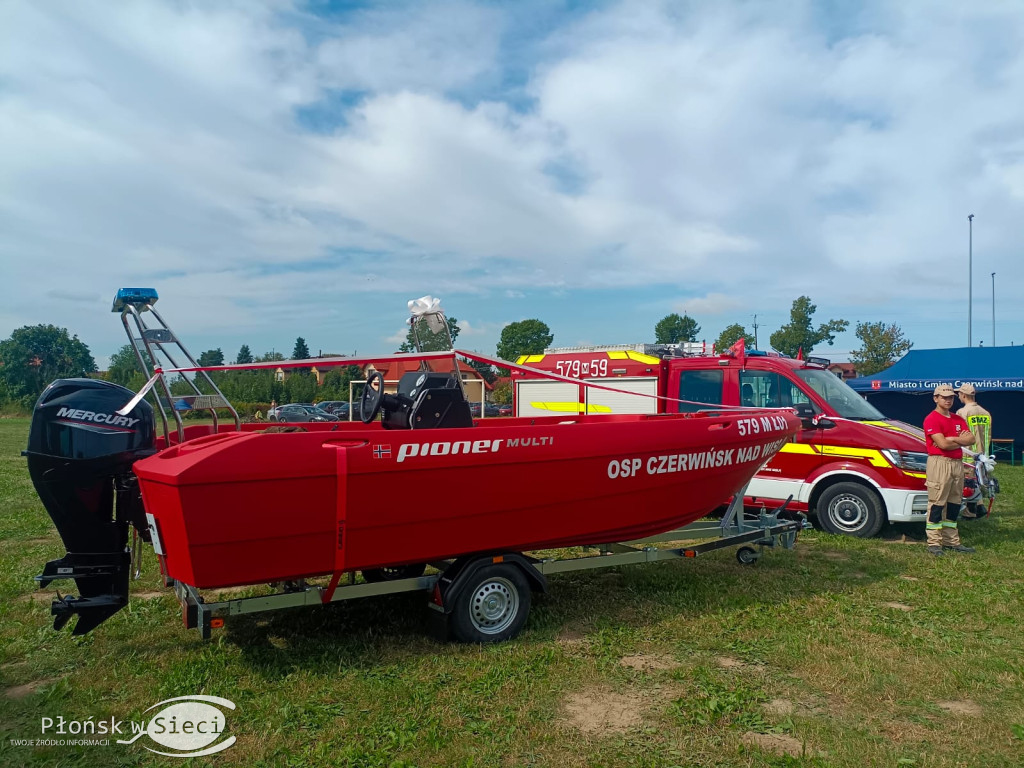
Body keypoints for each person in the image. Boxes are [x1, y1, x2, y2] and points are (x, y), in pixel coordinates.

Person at [923, 385, 975, 556]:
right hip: (940, 463)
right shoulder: (931, 419)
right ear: (935, 398)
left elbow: (971, 439)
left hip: (956, 463)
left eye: (951, 397)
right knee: (937, 502)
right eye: (944, 397)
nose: (948, 400)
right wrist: (960, 440)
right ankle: (934, 543)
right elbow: (943, 445)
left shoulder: (957, 419)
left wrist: (952, 438)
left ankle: (951, 541)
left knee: (954, 502)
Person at [956, 383, 993, 520]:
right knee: (978, 480)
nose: (958, 396)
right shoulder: (985, 413)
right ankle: (979, 506)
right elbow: (988, 435)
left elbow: (959, 434)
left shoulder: (962, 412)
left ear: (964, 395)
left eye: (959, 394)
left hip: (968, 454)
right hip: (983, 454)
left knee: (968, 482)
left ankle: (971, 512)